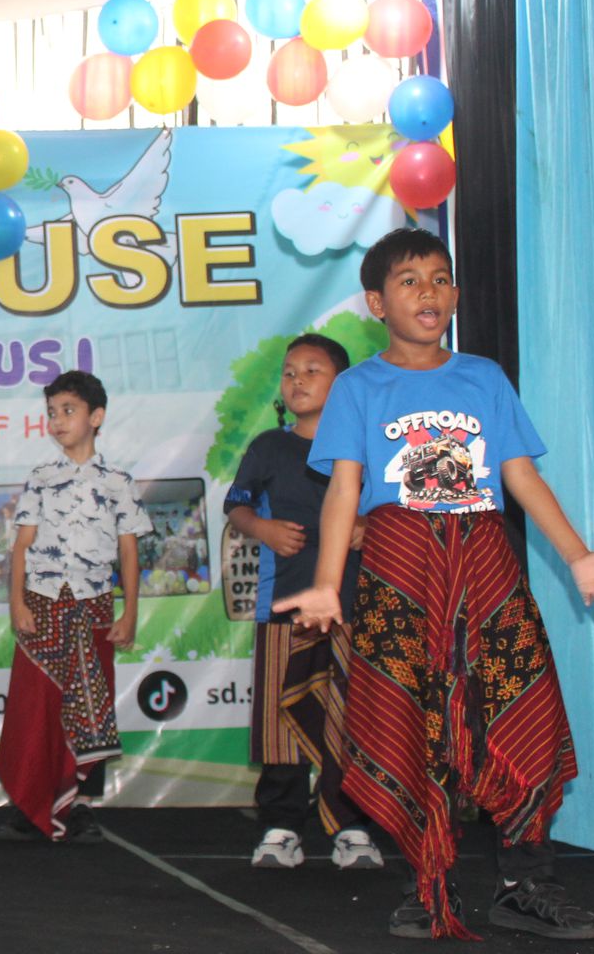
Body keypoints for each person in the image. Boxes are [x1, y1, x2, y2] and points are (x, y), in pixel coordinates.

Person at [274, 228, 594, 941]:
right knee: (413, 722)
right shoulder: (358, 387)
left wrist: (577, 556)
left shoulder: (483, 377)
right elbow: (343, 489)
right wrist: (326, 582)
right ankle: (426, 883)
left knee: (521, 713)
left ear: (456, 295)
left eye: (441, 279)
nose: (429, 292)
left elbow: (519, 475)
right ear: (378, 302)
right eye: (410, 281)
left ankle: (526, 885)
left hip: (485, 567)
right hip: (400, 570)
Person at [225, 335, 383, 871]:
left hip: (356, 606)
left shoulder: (366, 445)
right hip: (285, 605)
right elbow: (237, 507)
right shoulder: (269, 447)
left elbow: (395, 507)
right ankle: (281, 826)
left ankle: (352, 827)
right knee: (280, 722)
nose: (297, 380)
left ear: (343, 384)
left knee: (353, 720)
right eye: (290, 371)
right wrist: (262, 529)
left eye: (313, 370)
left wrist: (368, 526)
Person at [0, 371, 150, 845]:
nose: (57, 421)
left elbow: (128, 552)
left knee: (90, 704)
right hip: (42, 606)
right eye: (51, 413)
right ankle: (32, 803)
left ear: (96, 417)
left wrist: (129, 613)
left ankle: (81, 805)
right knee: (37, 706)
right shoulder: (41, 479)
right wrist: (17, 602)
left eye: (68, 411)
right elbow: (22, 546)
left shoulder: (117, 482)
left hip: (93, 606)